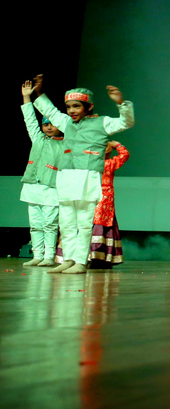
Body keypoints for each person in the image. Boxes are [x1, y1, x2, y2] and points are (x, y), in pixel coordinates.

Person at [32, 75, 135, 275]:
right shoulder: (66, 122)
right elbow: (49, 110)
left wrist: (121, 103)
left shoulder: (103, 123)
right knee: (66, 221)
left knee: (85, 221)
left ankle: (80, 261)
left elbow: (127, 122)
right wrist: (38, 92)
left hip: (87, 176)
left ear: (89, 107)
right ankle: (68, 259)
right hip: (66, 175)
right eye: (69, 107)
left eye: (76, 106)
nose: (71, 111)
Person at [20, 81, 63, 267]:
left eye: (53, 124)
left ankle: (49, 256)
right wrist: (26, 97)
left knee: (50, 225)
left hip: (51, 188)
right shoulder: (38, 138)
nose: (49, 127)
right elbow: (30, 120)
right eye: (45, 124)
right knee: (35, 225)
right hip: (32, 187)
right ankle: (37, 255)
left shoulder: (65, 143)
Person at [89, 141, 129, 269]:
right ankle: (92, 257)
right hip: (91, 197)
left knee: (100, 225)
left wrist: (116, 144)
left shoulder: (108, 163)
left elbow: (125, 155)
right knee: (90, 225)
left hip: (104, 200)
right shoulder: (90, 163)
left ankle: (98, 257)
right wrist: (116, 145)